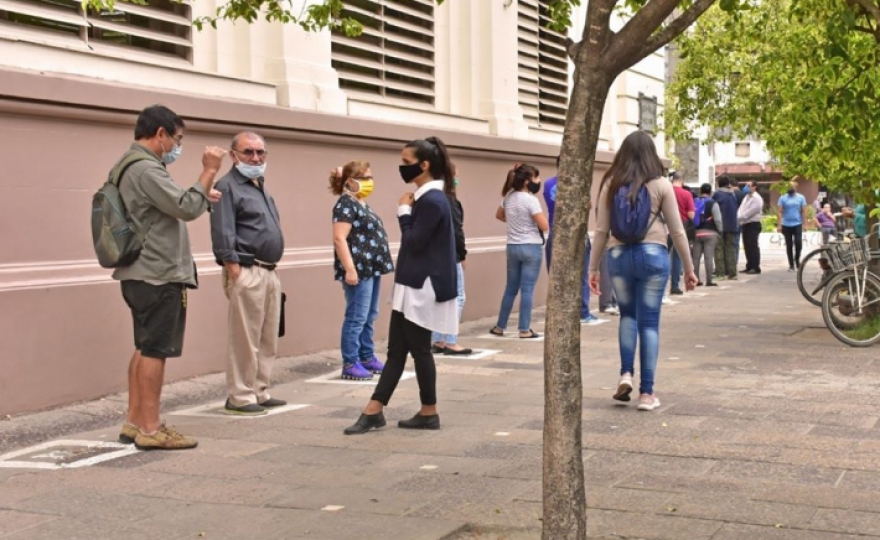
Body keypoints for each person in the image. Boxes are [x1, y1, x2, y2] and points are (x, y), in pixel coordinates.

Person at [115, 105, 225, 449]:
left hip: (140, 270)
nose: (178, 146)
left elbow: (176, 203)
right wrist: (209, 170)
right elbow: (186, 207)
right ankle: (151, 429)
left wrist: (201, 195)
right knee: (155, 350)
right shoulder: (147, 168)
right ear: (160, 133)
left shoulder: (129, 164)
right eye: (177, 139)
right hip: (158, 271)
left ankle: (135, 422)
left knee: (144, 346)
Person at [344, 137, 458, 435]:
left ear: (425, 165)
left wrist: (403, 211)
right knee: (400, 350)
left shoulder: (431, 200)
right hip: (413, 284)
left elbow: (415, 241)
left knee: (417, 350)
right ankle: (378, 409)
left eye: (407, 162)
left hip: (421, 287)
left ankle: (421, 411)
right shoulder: (431, 197)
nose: (402, 167)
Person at [588, 131, 697, 412]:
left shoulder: (611, 183)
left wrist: (593, 268)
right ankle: (647, 394)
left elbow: (601, 230)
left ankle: (625, 374)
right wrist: (689, 268)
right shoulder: (661, 184)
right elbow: (677, 230)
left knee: (627, 316)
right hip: (653, 256)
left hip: (618, 256)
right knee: (649, 324)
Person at [211, 132, 286, 416]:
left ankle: (260, 390)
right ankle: (240, 396)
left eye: (260, 152)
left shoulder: (259, 185)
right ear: (233, 155)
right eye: (248, 152)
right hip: (247, 269)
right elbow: (223, 230)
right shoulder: (227, 186)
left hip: (268, 270)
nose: (256, 158)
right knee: (246, 338)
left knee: (267, 337)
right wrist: (234, 270)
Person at [329, 161, 394, 380]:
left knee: (369, 315)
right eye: (365, 178)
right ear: (350, 181)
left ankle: (366, 356)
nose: (369, 182)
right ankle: (350, 362)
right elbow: (339, 238)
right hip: (358, 269)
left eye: (370, 177)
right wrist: (350, 269)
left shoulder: (360, 202)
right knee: (356, 316)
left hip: (371, 268)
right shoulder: (345, 204)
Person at [491, 164, 550, 338]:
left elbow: (499, 215)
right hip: (531, 246)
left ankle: (500, 326)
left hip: (512, 246)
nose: (538, 181)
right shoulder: (531, 200)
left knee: (510, 288)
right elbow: (544, 225)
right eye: (536, 177)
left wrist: (514, 223)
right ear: (526, 181)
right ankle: (524, 329)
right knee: (527, 289)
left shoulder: (508, 197)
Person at [544, 158, 599, 324]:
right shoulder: (579, 183)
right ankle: (583, 312)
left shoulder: (548, 184)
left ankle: (559, 311)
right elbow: (588, 205)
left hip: (556, 231)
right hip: (577, 232)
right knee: (581, 274)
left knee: (556, 275)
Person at [431, 165, 472, 355]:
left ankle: (438, 339)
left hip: (435, 254)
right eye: (456, 176)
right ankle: (450, 340)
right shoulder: (450, 201)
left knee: (441, 298)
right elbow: (456, 230)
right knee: (458, 297)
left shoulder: (432, 198)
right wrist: (462, 254)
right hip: (450, 254)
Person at [668, 171, 695, 295]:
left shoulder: (666, 191)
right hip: (681, 225)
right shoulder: (686, 194)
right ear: (682, 180)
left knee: (663, 254)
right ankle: (674, 286)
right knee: (677, 257)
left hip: (665, 225)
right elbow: (691, 214)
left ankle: (661, 287)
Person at [693, 183, 723, 286]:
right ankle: (709, 280)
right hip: (710, 233)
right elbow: (718, 219)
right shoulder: (713, 203)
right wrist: (720, 231)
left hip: (697, 233)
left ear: (700, 191)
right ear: (710, 192)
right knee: (708, 257)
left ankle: (696, 280)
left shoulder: (694, 202)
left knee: (695, 258)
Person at [776, 178, 808, 271]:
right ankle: (791, 264)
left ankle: (797, 260)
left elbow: (804, 212)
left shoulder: (801, 198)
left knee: (798, 243)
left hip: (797, 224)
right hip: (786, 224)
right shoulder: (782, 198)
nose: (790, 188)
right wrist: (779, 225)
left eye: (791, 186)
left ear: (796, 187)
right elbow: (779, 212)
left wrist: (805, 224)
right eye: (788, 187)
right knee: (789, 245)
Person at [712, 176, 740, 280]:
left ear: (719, 183)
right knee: (731, 249)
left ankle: (720, 273)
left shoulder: (717, 194)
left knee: (719, 249)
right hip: (732, 225)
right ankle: (732, 273)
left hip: (721, 225)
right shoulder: (733, 194)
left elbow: (713, 208)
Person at [737, 180, 764, 274]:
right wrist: (739, 216)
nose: (746, 187)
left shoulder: (757, 198)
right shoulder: (746, 197)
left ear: (754, 187)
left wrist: (740, 217)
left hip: (753, 224)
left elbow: (751, 211)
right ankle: (749, 266)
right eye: (746, 185)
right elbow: (741, 208)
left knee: (753, 246)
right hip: (745, 224)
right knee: (747, 246)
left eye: (748, 185)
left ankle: (755, 267)